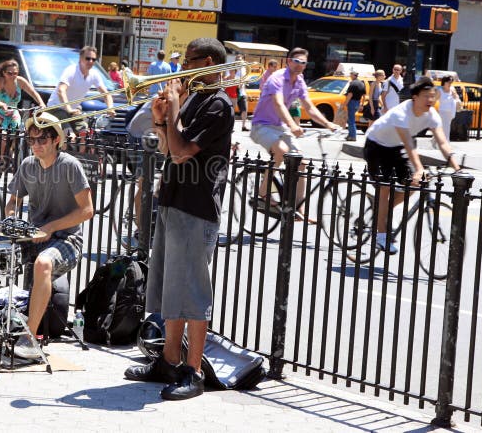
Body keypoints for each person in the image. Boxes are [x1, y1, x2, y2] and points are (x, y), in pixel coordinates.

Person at [123, 37, 234, 401]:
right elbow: (170, 147)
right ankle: (168, 361)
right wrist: (159, 120)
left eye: (188, 61)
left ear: (206, 62)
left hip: (196, 206)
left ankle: (194, 370)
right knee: (171, 287)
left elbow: (185, 151)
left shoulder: (218, 104)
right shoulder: (193, 99)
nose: (182, 68)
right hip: (173, 200)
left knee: (192, 292)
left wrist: (172, 111)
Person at [0, 112, 93, 358]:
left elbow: (87, 211)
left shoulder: (70, 166)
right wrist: (13, 220)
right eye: (31, 140)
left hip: (67, 239)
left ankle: (30, 338)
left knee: (43, 264)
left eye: (42, 139)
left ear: (56, 139)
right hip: (31, 236)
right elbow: (12, 202)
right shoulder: (27, 165)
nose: (36, 145)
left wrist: (51, 227)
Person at [363, 77, 461, 254]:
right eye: (426, 96)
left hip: (395, 148)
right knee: (384, 187)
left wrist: (457, 168)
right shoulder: (402, 112)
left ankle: (381, 213)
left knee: (414, 185)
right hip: (376, 145)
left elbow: (443, 142)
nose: (430, 100)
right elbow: (409, 144)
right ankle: (381, 236)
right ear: (414, 97)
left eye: (433, 96)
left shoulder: (432, 115)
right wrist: (419, 169)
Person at [250, 47, 339, 221]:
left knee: (301, 162)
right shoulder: (276, 78)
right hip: (262, 125)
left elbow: (309, 107)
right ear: (289, 61)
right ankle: (263, 192)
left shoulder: (299, 81)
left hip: (280, 126)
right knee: (281, 152)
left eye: (303, 63)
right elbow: (279, 104)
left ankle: (298, 208)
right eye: (296, 61)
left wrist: (328, 124)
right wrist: (292, 125)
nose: (299, 65)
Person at [46, 46, 114, 139]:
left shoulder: (94, 74)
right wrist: (69, 108)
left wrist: (110, 108)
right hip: (56, 108)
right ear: (81, 58)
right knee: (70, 136)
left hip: (73, 110)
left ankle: (80, 154)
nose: (90, 61)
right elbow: (61, 90)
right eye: (88, 58)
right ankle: (63, 153)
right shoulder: (71, 71)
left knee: (85, 136)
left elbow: (106, 94)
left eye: (93, 59)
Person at [0, 58, 45, 130]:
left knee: (17, 134)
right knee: (0, 137)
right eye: (9, 73)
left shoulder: (20, 81)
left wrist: (41, 103)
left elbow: (33, 93)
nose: (13, 76)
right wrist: (0, 104)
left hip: (13, 113)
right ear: (3, 73)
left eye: (15, 73)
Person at [434, 75, 462, 144]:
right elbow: (434, 101)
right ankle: (446, 143)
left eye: (451, 82)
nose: (450, 84)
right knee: (446, 128)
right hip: (443, 112)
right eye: (449, 82)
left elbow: (457, 98)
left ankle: (435, 140)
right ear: (444, 82)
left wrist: (455, 96)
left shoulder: (452, 89)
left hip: (451, 112)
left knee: (444, 128)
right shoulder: (440, 91)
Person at [343, 69, 366, 141]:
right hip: (357, 102)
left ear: (353, 75)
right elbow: (364, 95)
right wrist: (361, 104)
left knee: (351, 120)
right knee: (351, 119)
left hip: (352, 102)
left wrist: (344, 104)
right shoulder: (361, 83)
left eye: (350, 75)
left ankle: (353, 136)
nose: (350, 76)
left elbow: (350, 94)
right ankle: (350, 135)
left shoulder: (352, 83)